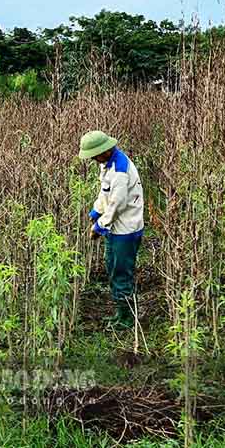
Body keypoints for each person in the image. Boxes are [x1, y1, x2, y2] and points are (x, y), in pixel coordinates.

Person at [78, 130, 145, 330]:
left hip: (126, 230)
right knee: (113, 268)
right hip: (116, 228)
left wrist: (99, 226)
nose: (92, 159)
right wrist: (96, 211)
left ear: (105, 151)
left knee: (121, 273)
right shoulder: (107, 165)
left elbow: (117, 204)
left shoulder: (119, 171)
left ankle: (127, 319)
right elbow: (105, 193)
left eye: (94, 155)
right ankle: (120, 313)